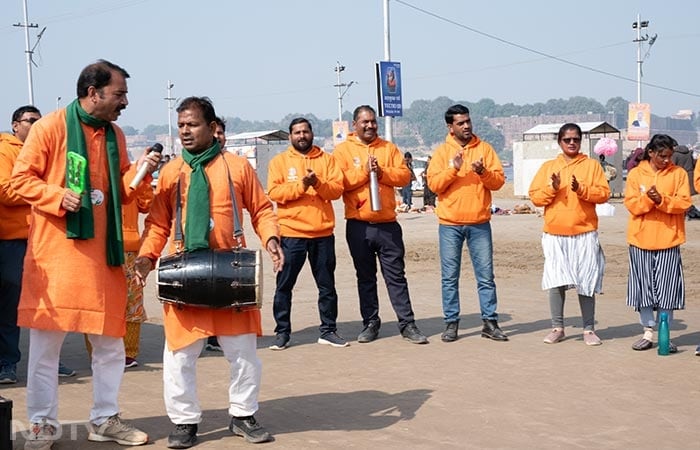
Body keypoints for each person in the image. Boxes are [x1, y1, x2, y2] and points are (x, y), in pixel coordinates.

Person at [10, 60, 156, 448]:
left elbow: (119, 190)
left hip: (103, 259)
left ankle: (105, 418)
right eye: (119, 93)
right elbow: (20, 181)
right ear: (93, 93)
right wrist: (58, 196)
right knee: (45, 350)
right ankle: (42, 424)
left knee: (110, 344)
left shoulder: (116, 135)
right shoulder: (50, 128)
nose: (125, 101)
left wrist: (139, 173)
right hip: (57, 258)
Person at [134, 97, 283, 448]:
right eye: (181, 125)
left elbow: (261, 209)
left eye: (192, 125)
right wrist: (146, 257)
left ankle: (243, 415)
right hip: (185, 275)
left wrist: (272, 237)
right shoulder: (172, 172)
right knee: (179, 356)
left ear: (212, 127)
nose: (185, 131)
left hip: (232, 275)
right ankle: (184, 422)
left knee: (243, 353)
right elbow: (157, 223)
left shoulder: (237, 167)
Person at [332, 105, 428, 345]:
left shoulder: (389, 148)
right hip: (358, 225)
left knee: (396, 276)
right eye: (364, 122)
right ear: (355, 125)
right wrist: (364, 173)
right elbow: (340, 183)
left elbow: (404, 176)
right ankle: (371, 323)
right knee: (365, 277)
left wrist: (382, 172)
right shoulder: (343, 152)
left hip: (388, 226)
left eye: (373, 121)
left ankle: (407, 324)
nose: (370, 126)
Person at [0, 106, 76, 384]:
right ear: (15, 124)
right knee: (12, 304)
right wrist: (45, 192)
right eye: (30, 121)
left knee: (48, 304)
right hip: (12, 241)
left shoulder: (45, 150)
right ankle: (8, 363)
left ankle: (48, 360)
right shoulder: (5, 151)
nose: (36, 125)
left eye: (39, 121)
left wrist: (44, 190)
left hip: (43, 238)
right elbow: (7, 190)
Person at [426, 104, 508, 343]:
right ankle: (451, 323)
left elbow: (498, 182)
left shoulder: (485, 149)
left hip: (479, 223)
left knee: (485, 276)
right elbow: (434, 186)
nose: (466, 126)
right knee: (450, 277)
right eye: (460, 123)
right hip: (450, 224)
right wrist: (453, 169)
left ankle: (490, 322)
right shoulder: (442, 153)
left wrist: (483, 172)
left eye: (468, 121)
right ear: (450, 127)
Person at [267, 118, 346, 350]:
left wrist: (318, 183)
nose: (301, 136)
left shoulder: (327, 160)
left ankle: (328, 330)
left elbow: (337, 190)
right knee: (284, 286)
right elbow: (275, 192)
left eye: (305, 131)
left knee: (327, 286)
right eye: (297, 132)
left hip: (322, 234)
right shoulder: (279, 162)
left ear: (312, 133)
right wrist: (301, 186)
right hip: (292, 234)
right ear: (290, 136)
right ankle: (282, 332)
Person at [528, 123, 610, 346]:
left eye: (575, 139)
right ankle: (558, 327)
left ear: (581, 141)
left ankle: (589, 329)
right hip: (555, 233)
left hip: (584, 232)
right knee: (556, 281)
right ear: (559, 142)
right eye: (567, 140)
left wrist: (581, 189)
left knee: (586, 281)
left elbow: (603, 194)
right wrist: (553, 188)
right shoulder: (549, 167)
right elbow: (535, 197)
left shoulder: (591, 166)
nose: (572, 143)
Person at [624, 134, 691, 353]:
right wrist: (648, 199)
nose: (666, 160)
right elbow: (631, 205)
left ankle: (666, 333)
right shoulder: (635, 174)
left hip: (668, 240)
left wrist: (661, 200)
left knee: (667, 289)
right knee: (644, 289)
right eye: (662, 156)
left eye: (669, 156)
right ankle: (647, 332)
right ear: (651, 153)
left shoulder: (678, 173)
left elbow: (684, 203)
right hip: (640, 240)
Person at [204, 116, 228, 353]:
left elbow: (260, 208)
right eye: (215, 133)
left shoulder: (237, 166)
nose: (218, 137)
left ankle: (218, 337)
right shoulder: (185, 167)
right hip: (198, 245)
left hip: (226, 242)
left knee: (222, 290)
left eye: (221, 133)